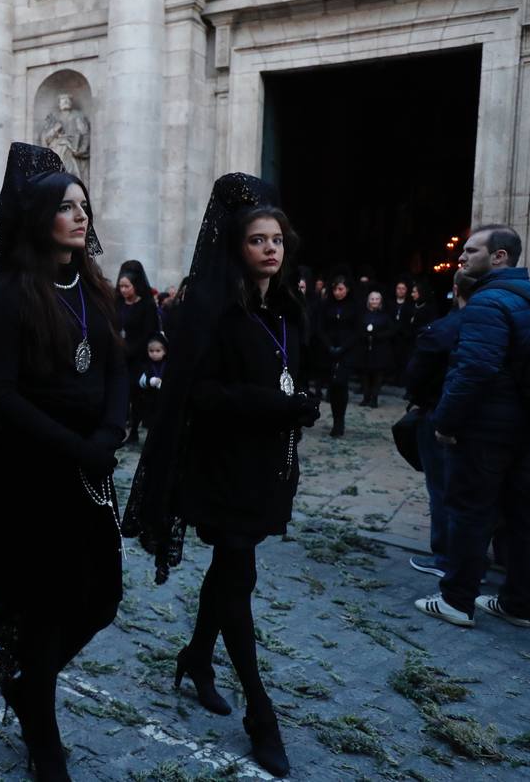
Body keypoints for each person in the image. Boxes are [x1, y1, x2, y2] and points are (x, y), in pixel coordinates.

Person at [123, 173, 318, 779]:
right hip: (220, 466)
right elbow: (199, 394)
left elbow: (293, 374)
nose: (270, 248)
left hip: (268, 467)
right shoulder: (214, 310)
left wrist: (303, 399)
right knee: (239, 574)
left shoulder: (288, 310)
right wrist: (277, 404)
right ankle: (261, 712)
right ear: (236, 247)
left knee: (231, 573)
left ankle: (197, 659)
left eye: (277, 239)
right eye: (258, 239)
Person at [0, 143, 126, 780]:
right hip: (34, 477)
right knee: (43, 611)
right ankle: (43, 736)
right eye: (66, 206)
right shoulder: (11, 293)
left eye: (84, 205)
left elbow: (116, 370)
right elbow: (0, 394)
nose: (79, 215)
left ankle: (25, 682)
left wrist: (111, 431)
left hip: (90, 473)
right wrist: (77, 446)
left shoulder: (93, 285)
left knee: (102, 598)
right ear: (40, 216)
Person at [416, 225, 530, 630]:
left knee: (471, 511)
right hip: (523, 424)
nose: (461, 258)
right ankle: (520, 603)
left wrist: (445, 421)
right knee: (521, 514)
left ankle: (457, 599)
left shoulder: (489, 302)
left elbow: (474, 370)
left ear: (500, 256)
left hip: (486, 428)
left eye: (471, 251)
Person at [404, 270, 476, 579]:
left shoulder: (445, 329)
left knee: (443, 488)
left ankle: (447, 558)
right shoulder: (495, 325)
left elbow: (417, 375)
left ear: (456, 289)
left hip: (441, 412)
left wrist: (420, 399)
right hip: (479, 417)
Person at [116, 262, 159, 444]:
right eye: (121, 286)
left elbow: (149, 333)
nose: (123, 290)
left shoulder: (146, 305)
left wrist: (130, 350)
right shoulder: (117, 302)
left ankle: (133, 429)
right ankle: (121, 427)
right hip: (118, 354)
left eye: (127, 286)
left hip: (137, 356)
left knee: (136, 394)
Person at [316, 277, 357, 436]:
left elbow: (356, 330)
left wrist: (343, 347)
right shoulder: (326, 306)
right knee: (333, 386)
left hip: (347, 351)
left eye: (341, 289)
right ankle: (336, 420)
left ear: (347, 289)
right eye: (335, 290)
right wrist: (329, 346)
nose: (338, 293)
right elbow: (320, 328)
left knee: (341, 384)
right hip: (329, 350)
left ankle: (340, 420)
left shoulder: (354, 306)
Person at [352, 290, 394, 408]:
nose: (374, 301)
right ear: (368, 301)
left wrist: (377, 335)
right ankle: (366, 397)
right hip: (364, 350)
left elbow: (391, 331)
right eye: (372, 299)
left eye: (377, 299)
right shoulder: (362, 315)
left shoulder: (385, 316)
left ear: (380, 301)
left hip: (380, 350)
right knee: (365, 375)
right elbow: (357, 329)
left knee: (377, 376)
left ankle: (374, 399)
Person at [136, 332, 168, 429]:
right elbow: (141, 381)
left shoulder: (167, 364)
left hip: (164, 398)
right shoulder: (147, 364)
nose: (154, 354)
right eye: (151, 351)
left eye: (158, 351)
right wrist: (150, 381)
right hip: (151, 398)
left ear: (164, 351)